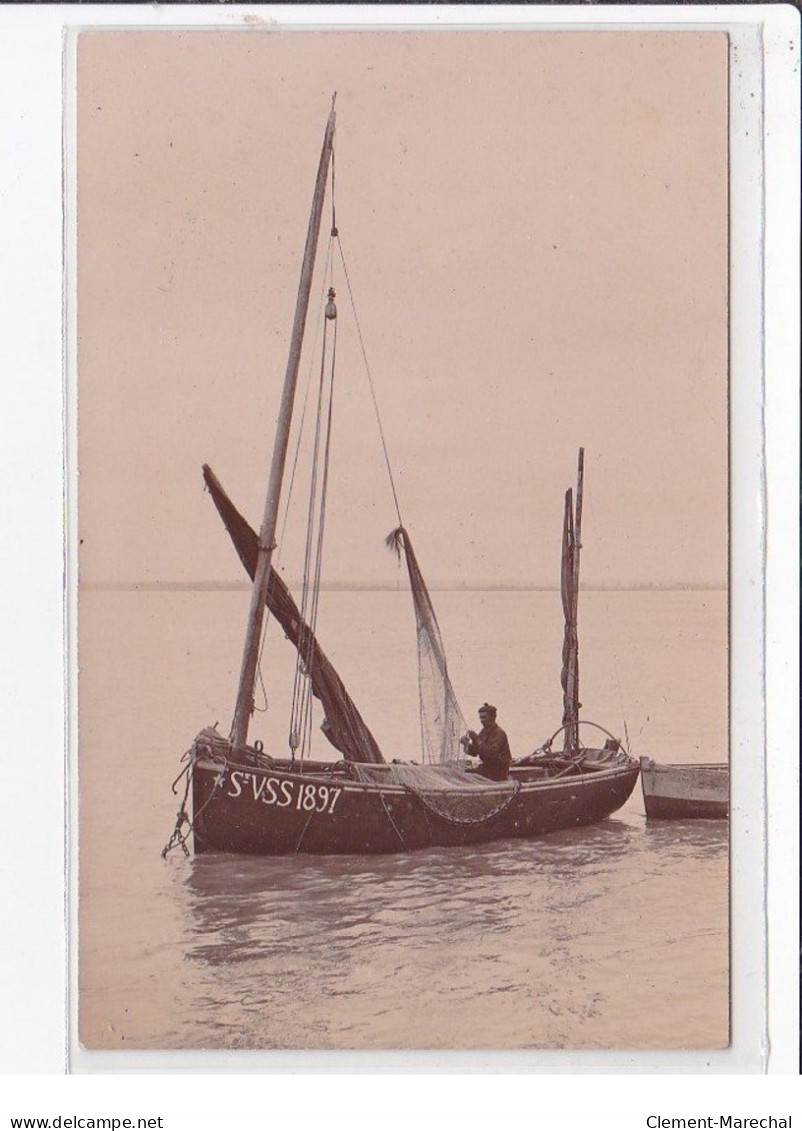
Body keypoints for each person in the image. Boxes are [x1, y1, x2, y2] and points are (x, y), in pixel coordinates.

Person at [460, 703, 512, 781]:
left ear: (493, 717)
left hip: (499, 771)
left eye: (484, 717)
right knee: (464, 773)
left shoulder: (499, 733)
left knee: (468, 777)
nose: (482, 720)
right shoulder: (483, 732)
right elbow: (475, 753)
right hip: (487, 768)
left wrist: (477, 739)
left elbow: (492, 753)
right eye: (480, 718)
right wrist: (466, 744)